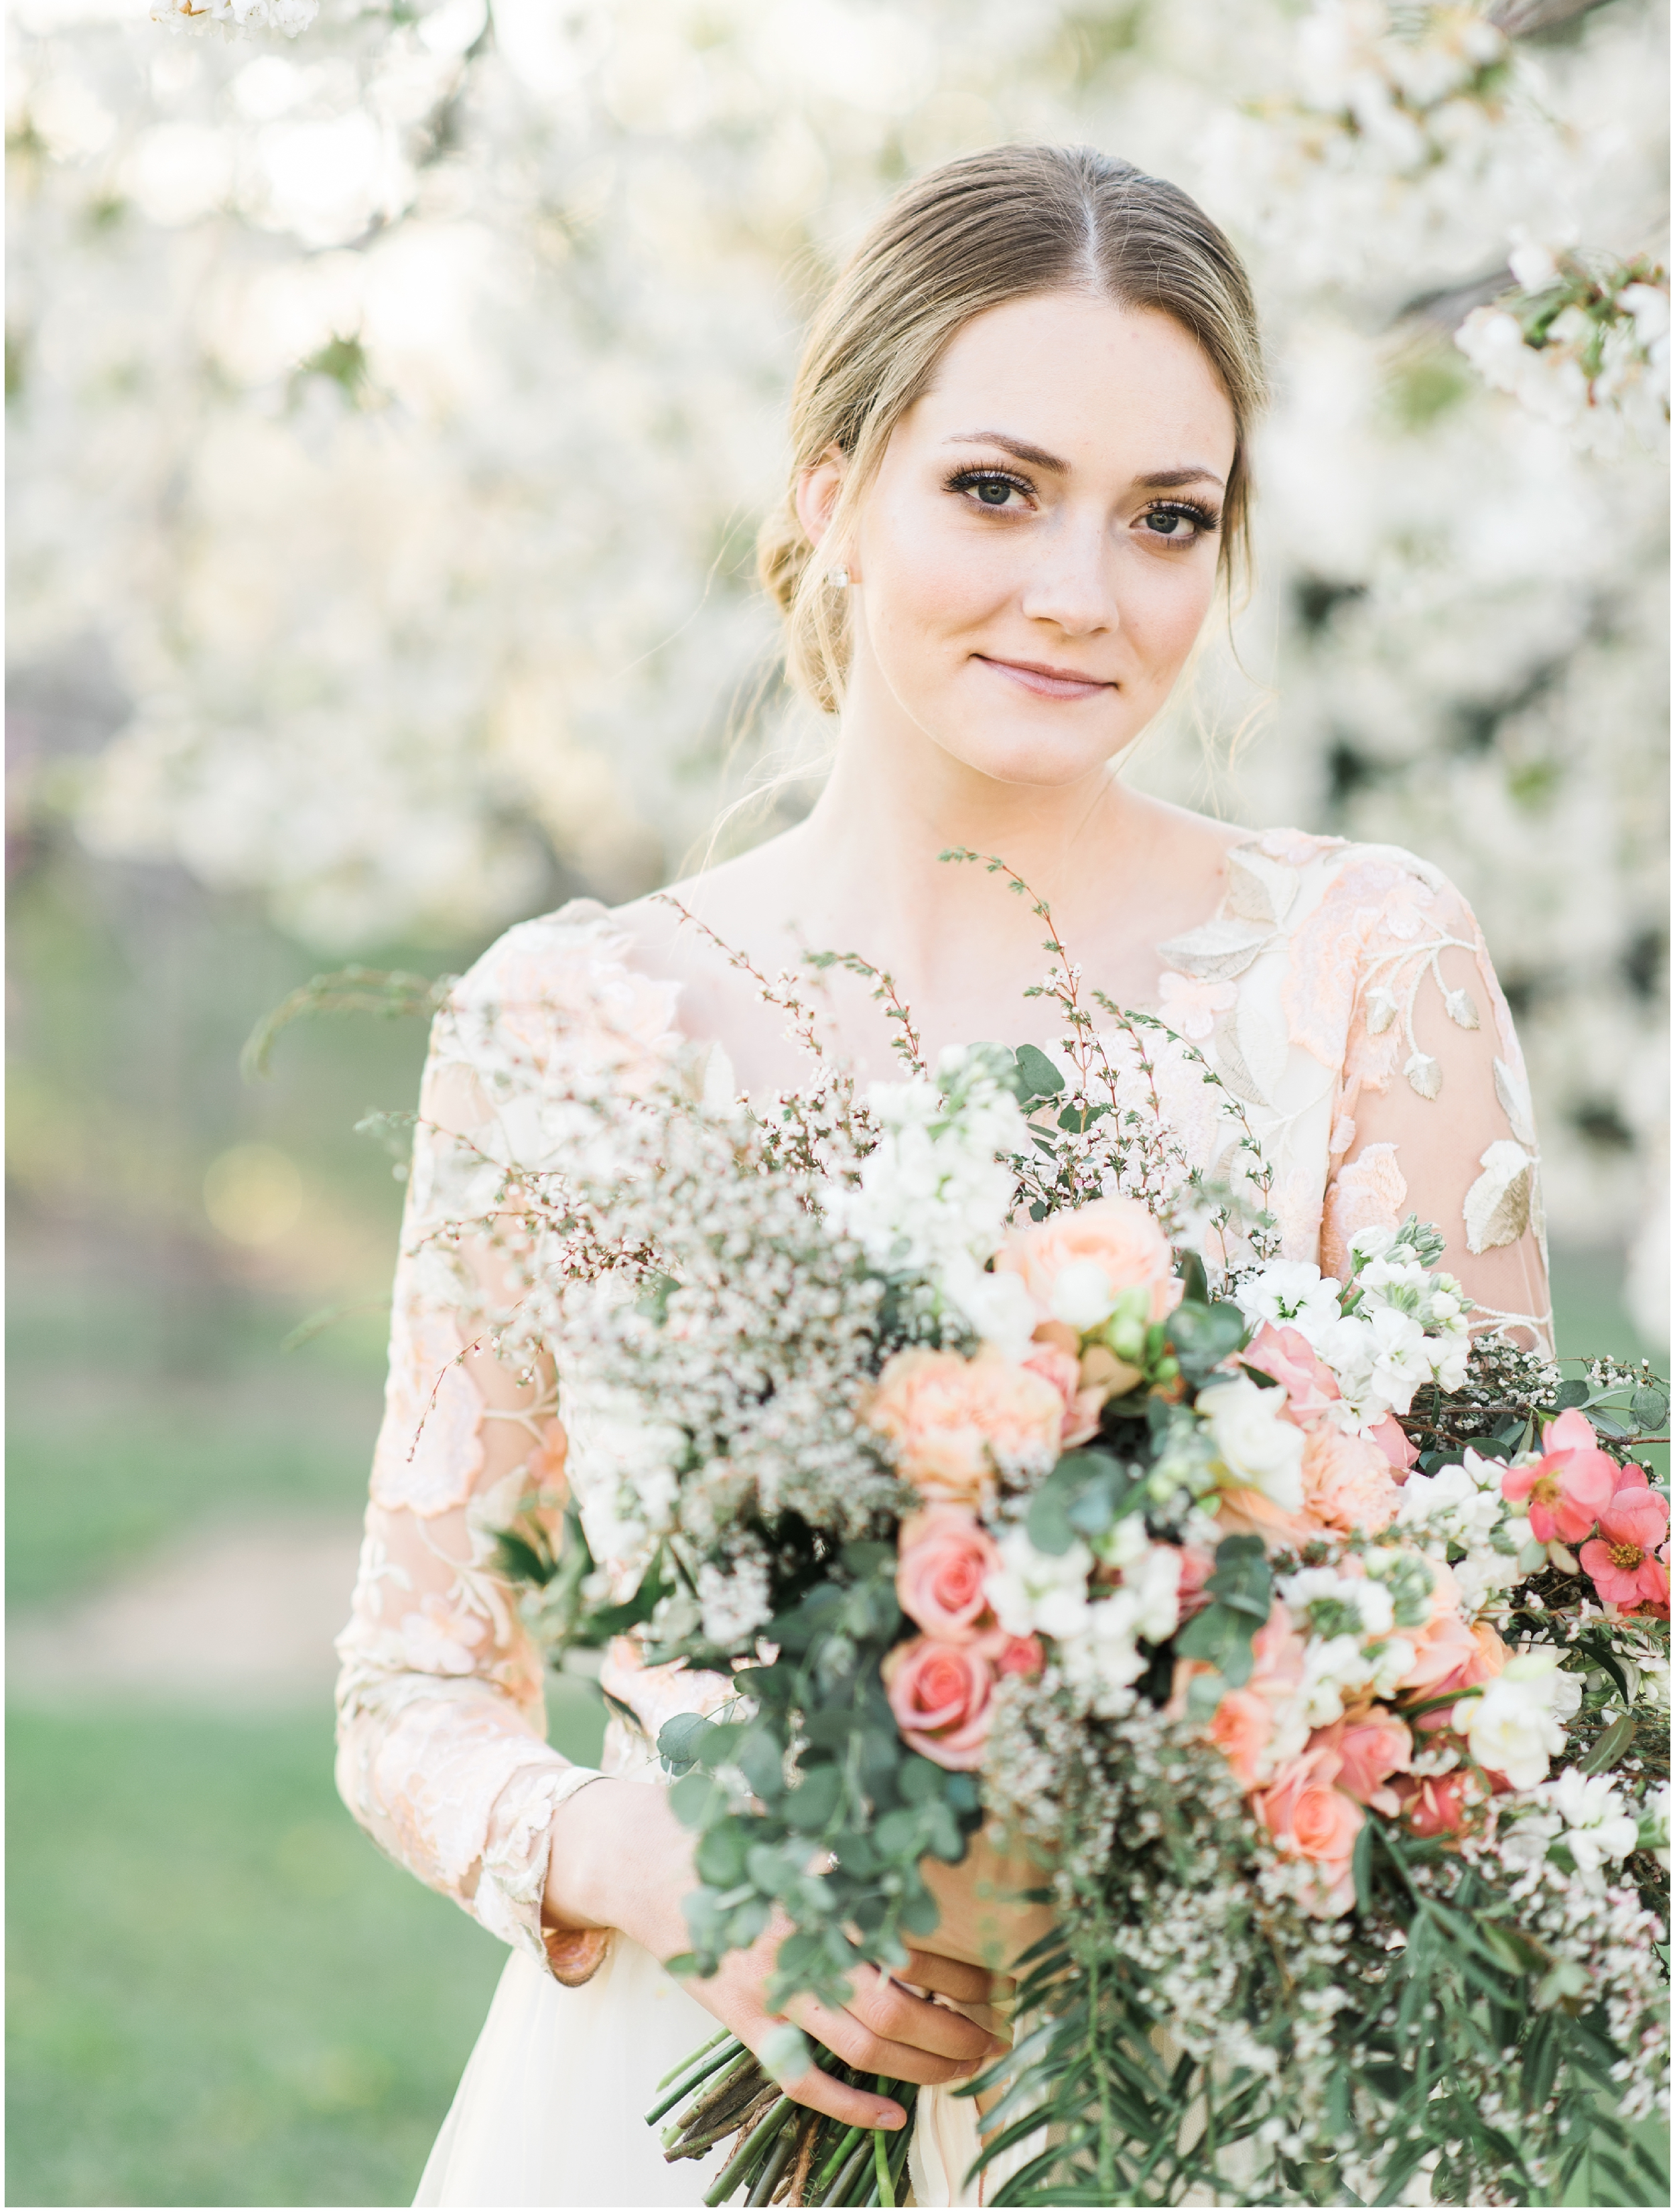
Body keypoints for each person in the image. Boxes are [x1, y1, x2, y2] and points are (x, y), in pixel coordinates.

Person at [334, 145, 1552, 2208]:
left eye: (1167, 518)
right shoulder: (572, 1022)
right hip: (671, 2090)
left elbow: (1496, 1608)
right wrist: (665, 1862)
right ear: (830, 487)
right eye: (998, 488)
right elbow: (413, 1681)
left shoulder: (1361, 964)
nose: (1083, 590)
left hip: (1203, 2100)